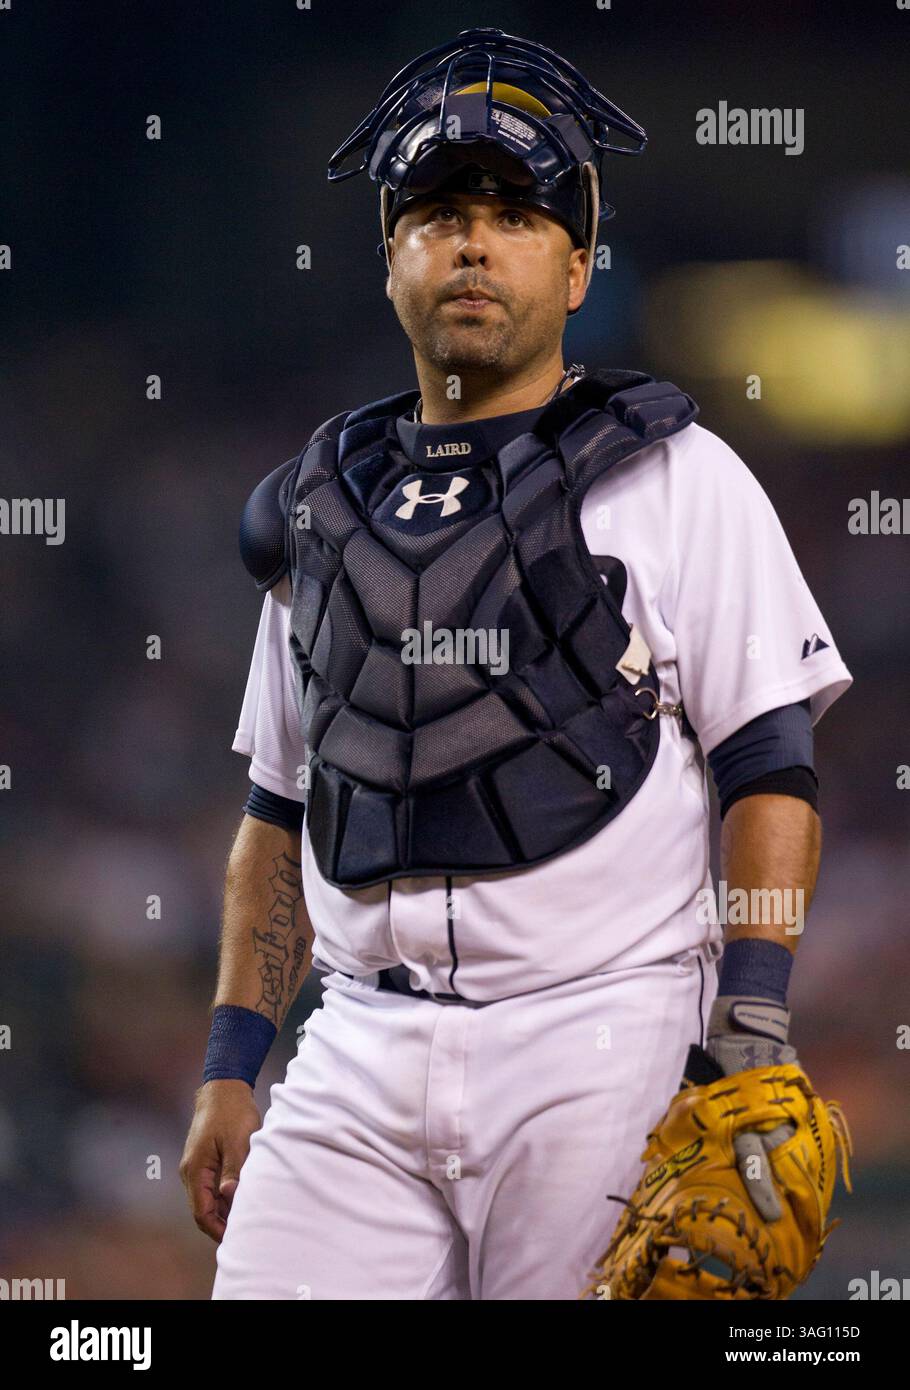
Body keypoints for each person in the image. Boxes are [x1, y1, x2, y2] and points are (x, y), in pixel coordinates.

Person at [180, 28, 852, 1300]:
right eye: (436, 213)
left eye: (513, 213)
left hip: (595, 1035)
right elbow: (277, 806)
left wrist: (752, 1021)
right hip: (356, 1043)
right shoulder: (322, 508)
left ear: (579, 261)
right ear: (391, 260)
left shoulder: (678, 478)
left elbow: (772, 767)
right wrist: (230, 1058)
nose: (473, 242)